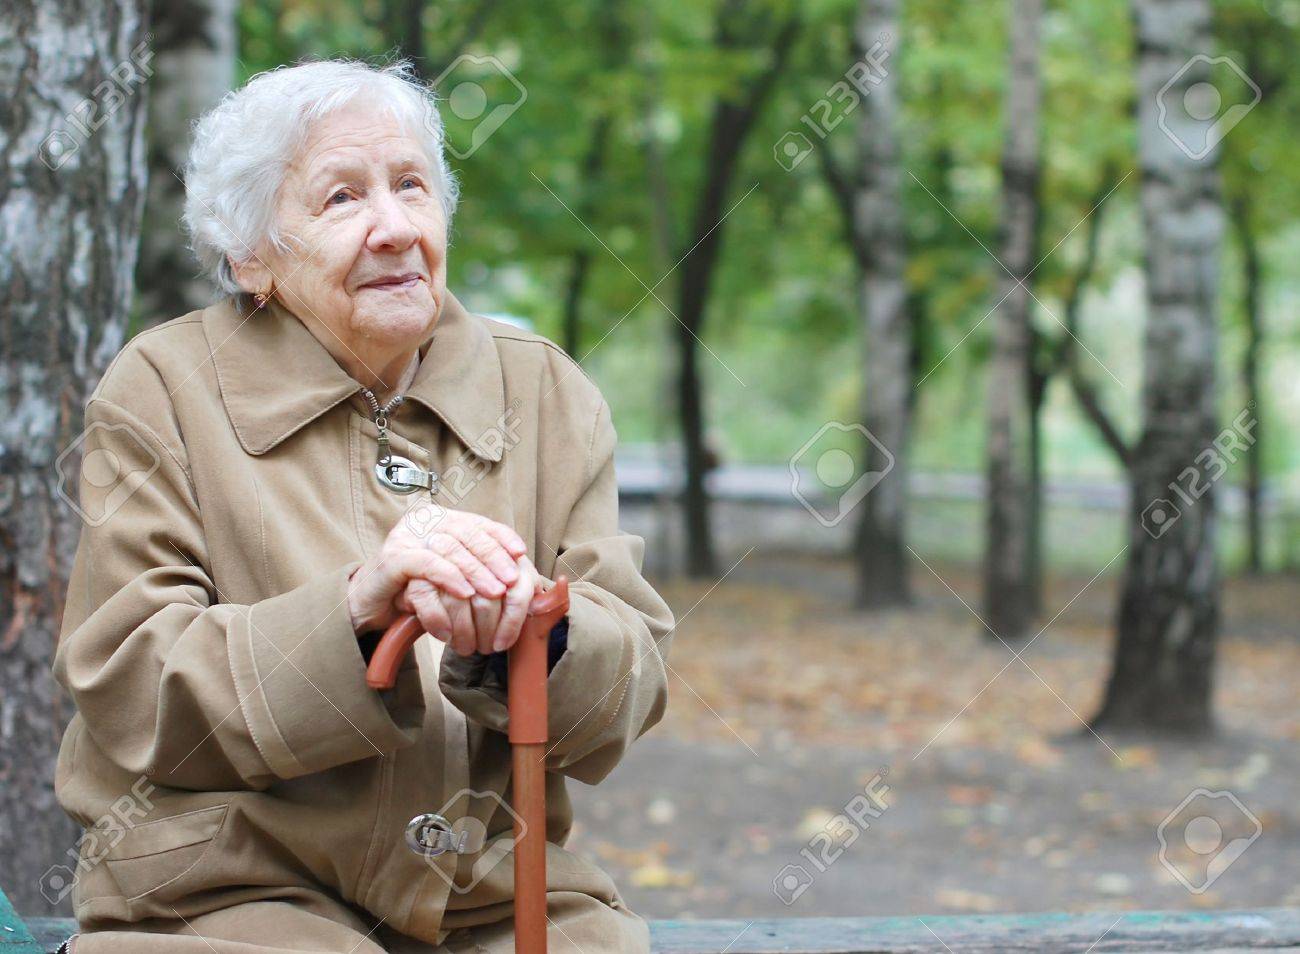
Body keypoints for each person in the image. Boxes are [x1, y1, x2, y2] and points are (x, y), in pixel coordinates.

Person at [51, 57, 674, 953]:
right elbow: (131, 681)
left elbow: (631, 678)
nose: (395, 227)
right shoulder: (163, 387)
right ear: (251, 257)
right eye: (341, 198)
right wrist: (352, 612)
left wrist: (535, 632)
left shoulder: (545, 392)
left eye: (411, 186)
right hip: (225, 893)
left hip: (489, 892)